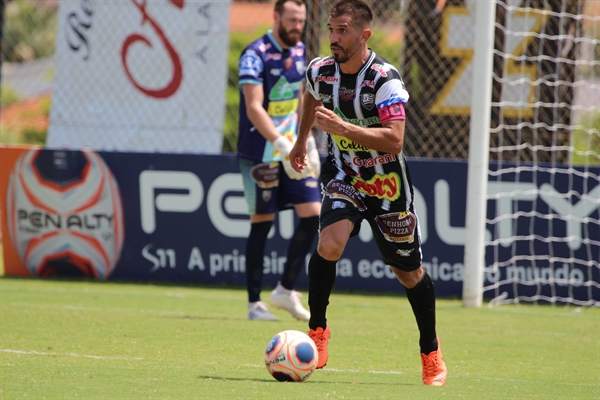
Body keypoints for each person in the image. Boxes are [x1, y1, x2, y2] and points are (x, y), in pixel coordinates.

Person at [289, 0, 447, 386]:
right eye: (331, 29)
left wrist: (342, 129)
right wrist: (301, 139)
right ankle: (317, 331)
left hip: (387, 184)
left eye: (342, 30)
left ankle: (431, 351)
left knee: (408, 273)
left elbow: (394, 140)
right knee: (330, 242)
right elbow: (310, 95)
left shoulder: (384, 79)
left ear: (364, 35)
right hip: (344, 173)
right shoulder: (320, 70)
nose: (333, 38)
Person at [237, 0, 321, 321]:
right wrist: (280, 145)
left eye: (300, 21)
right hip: (262, 153)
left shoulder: (300, 52)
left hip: (292, 149)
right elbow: (254, 107)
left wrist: (305, 139)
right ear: (276, 18)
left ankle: (285, 290)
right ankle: (254, 304)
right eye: (291, 20)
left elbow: (301, 98)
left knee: (313, 214)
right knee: (262, 223)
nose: (297, 26)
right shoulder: (254, 54)